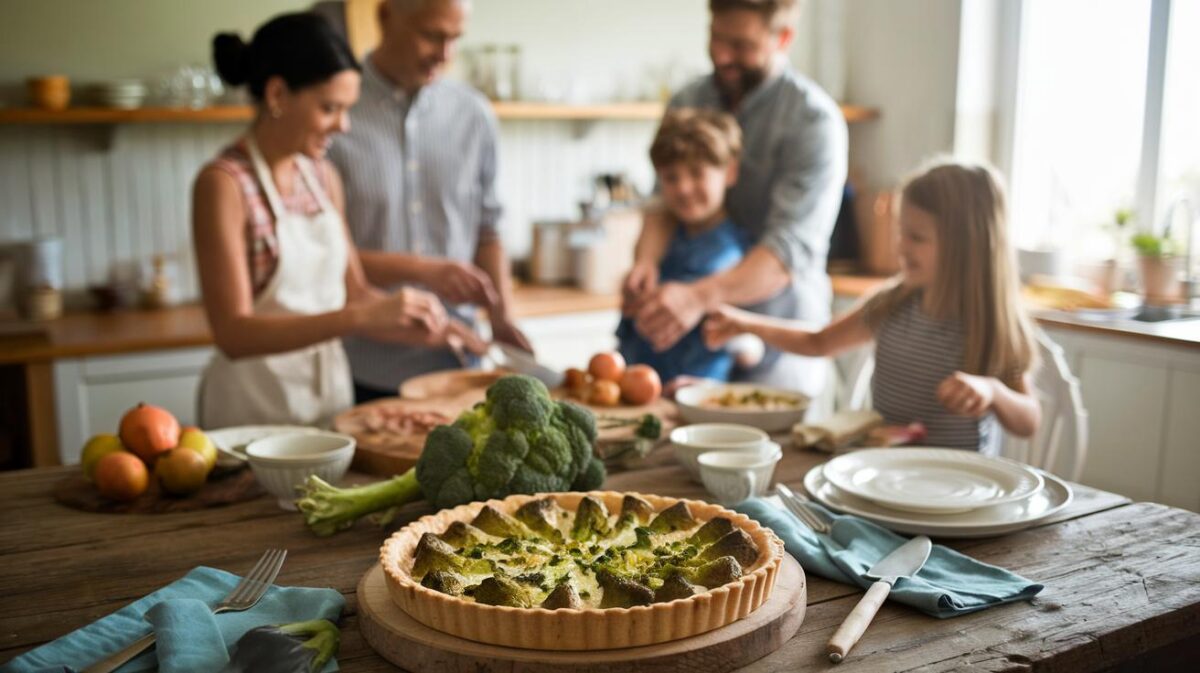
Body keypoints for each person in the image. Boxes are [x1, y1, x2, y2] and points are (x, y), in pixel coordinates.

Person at [194, 12, 483, 429]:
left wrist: (430, 327)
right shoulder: (223, 184)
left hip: (328, 403)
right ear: (277, 94)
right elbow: (233, 334)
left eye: (347, 109)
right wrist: (359, 318)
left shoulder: (322, 178)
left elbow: (356, 294)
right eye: (329, 108)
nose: (343, 126)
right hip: (251, 413)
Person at [704, 160, 1042, 453]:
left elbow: (1029, 421)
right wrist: (747, 324)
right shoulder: (893, 302)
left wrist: (993, 391)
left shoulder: (992, 324)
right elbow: (819, 341)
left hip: (961, 490)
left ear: (965, 246)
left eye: (917, 237)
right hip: (883, 476)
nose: (901, 246)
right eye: (900, 232)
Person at [623, 0, 848, 398]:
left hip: (780, 345)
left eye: (741, 45)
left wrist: (696, 297)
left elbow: (785, 254)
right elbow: (661, 205)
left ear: (783, 38)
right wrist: (646, 264)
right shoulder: (688, 100)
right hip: (692, 338)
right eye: (716, 39)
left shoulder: (813, 121)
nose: (723, 56)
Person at [327, 0, 531, 403]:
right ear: (386, 16)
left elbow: (487, 229)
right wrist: (426, 271)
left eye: (455, 38)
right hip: (363, 369)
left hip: (459, 369)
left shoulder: (474, 114)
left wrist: (502, 315)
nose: (445, 54)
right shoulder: (334, 113)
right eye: (432, 35)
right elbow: (326, 255)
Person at [616, 108, 762, 382]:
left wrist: (739, 341)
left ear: (729, 172)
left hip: (693, 393)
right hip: (637, 382)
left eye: (697, 173)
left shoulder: (731, 253)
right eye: (672, 177)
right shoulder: (661, 236)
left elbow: (748, 346)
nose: (683, 188)